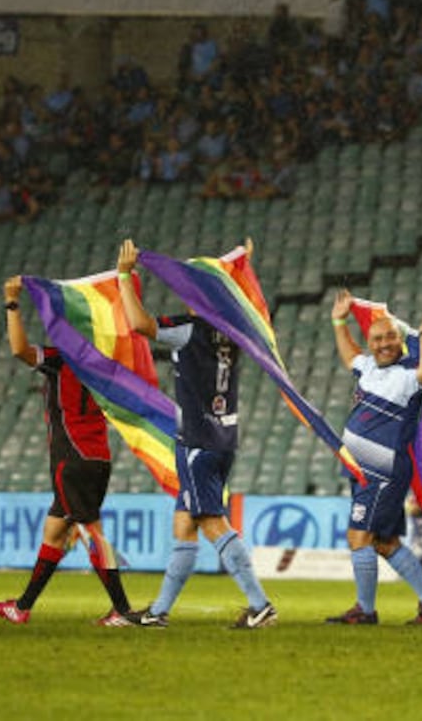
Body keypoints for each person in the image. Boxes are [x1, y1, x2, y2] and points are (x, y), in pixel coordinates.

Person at [116, 238, 277, 629]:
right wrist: (240, 269)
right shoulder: (235, 334)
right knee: (185, 524)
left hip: (199, 442)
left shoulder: (191, 330)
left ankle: (259, 604)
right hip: (222, 438)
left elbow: (139, 324)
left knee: (210, 522)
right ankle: (158, 612)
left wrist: (124, 276)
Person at [0, 276, 134, 626]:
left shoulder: (61, 360)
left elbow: (20, 350)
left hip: (72, 458)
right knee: (55, 532)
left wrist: (11, 303)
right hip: (98, 457)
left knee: (91, 532)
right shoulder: (105, 367)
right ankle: (21, 607)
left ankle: (123, 610)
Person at [324, 289, 422, 626]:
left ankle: (365, 610)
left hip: (382, 471)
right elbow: (351, 355)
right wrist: (339, 320)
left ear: (400, 339)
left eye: (391, 337)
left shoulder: (409, 373)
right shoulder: (367, 367)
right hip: (362, 470)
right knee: (385, 542)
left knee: (359, 537)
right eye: (377, 339)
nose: (384, 344)